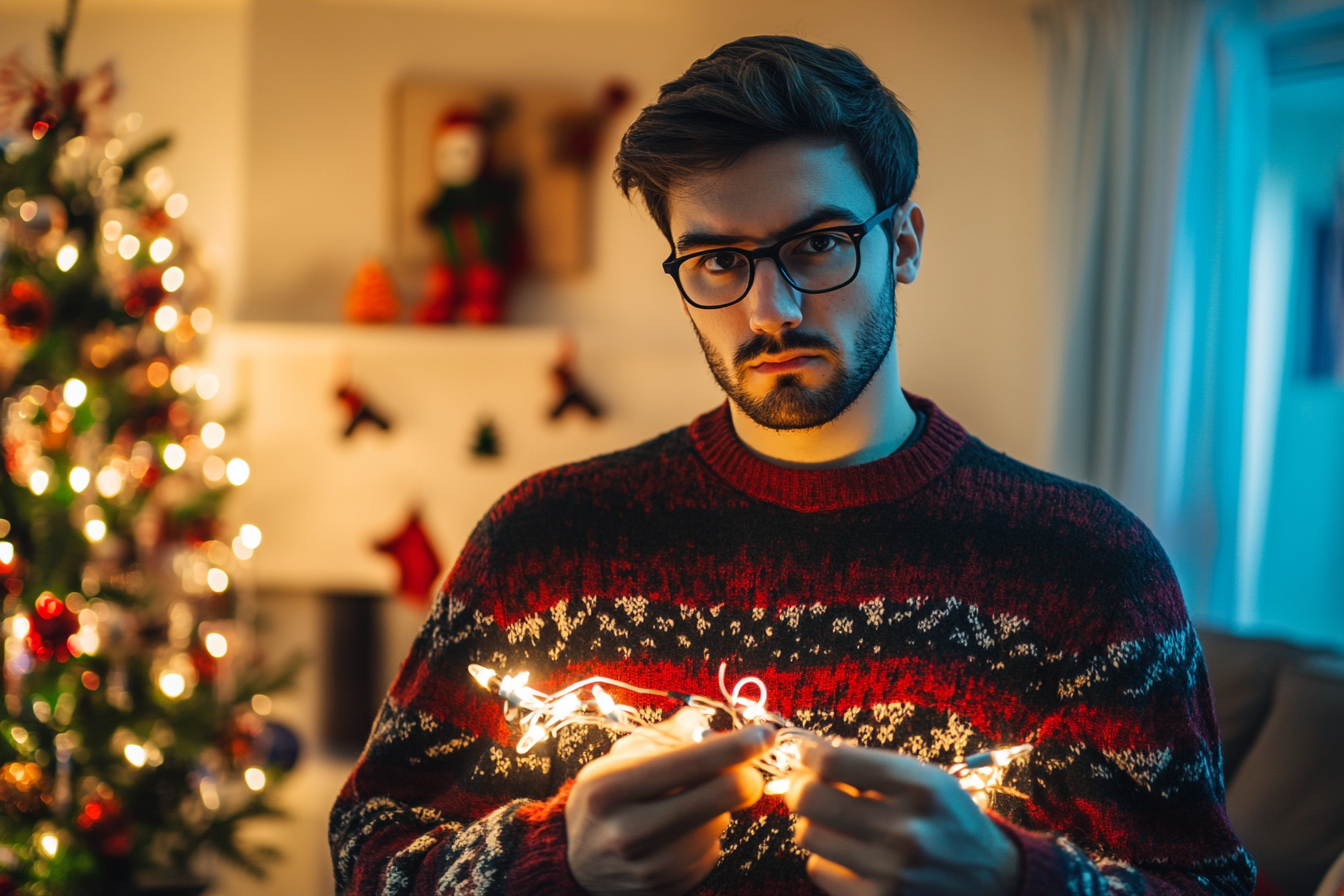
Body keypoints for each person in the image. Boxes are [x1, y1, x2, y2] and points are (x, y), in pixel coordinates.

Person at [329, 35, 1254, 896]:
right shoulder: (544, 544)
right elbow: (367, 854)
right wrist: (551, 860)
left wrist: (1010, 878)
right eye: (716, 260)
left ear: (905, 244)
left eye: (818, 243)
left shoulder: (1089, 566)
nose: (769, 308)